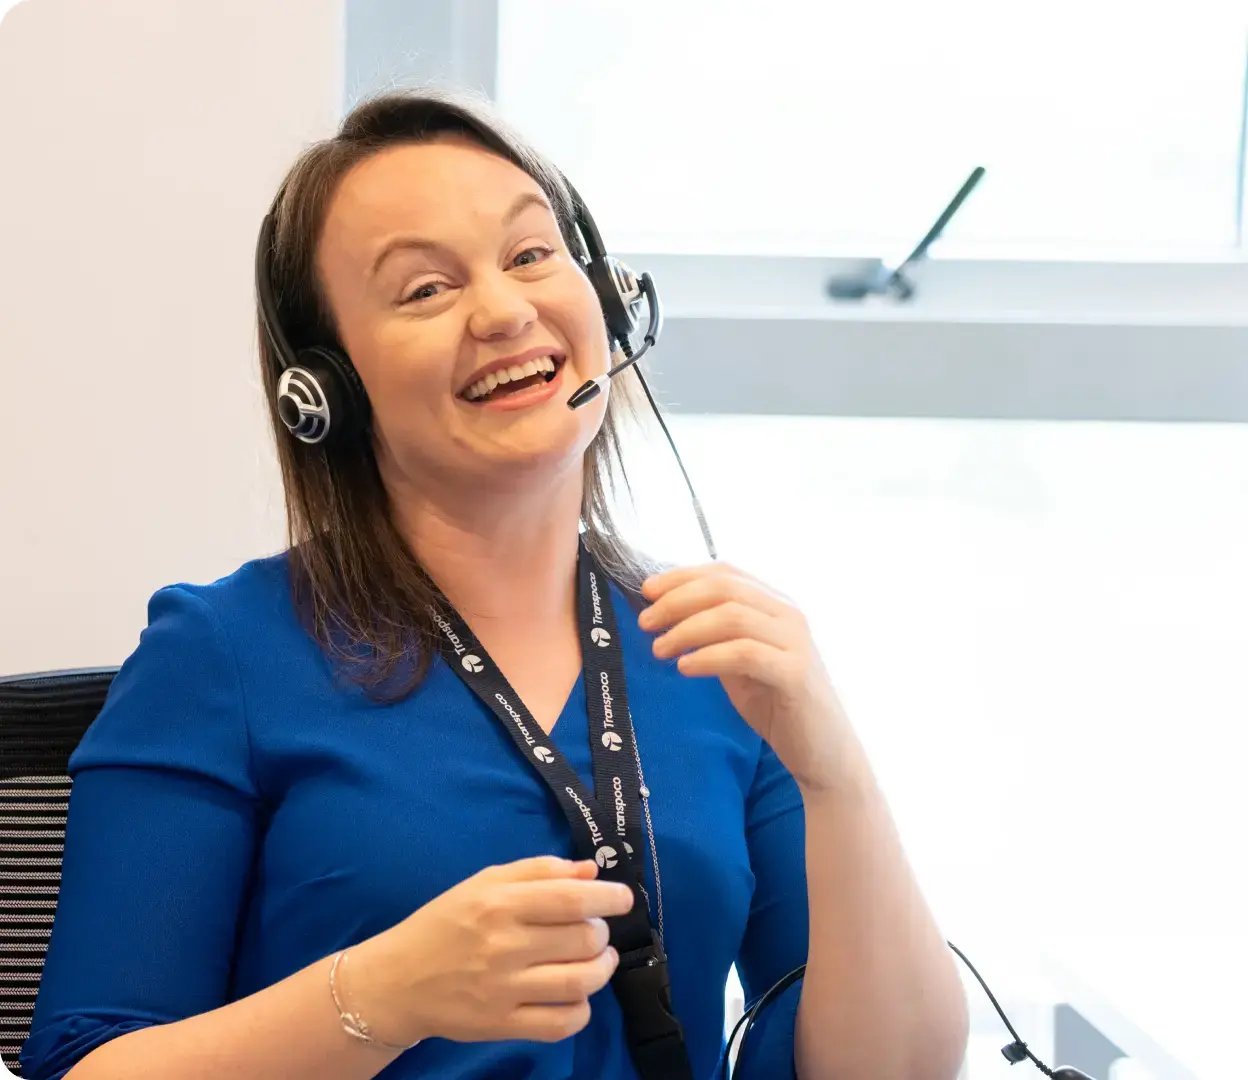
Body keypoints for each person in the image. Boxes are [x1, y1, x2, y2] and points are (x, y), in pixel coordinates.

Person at [21, 87, 967, 1080]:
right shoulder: (221, 655)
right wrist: (380, 998)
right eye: (425, 290)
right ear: (326, 389)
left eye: (530, 255)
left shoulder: (715, 653)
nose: (507, 311)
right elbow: (85, 1067)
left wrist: (838, 775)